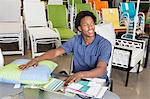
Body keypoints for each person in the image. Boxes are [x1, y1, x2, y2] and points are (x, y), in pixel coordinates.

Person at [19, 11, 112, 86]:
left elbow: (101, 69)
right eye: (86, 25)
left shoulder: (104, 44)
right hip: (77, 80)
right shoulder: (75, 40)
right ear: (79, 28)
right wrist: (36, 59)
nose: (90, 27)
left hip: (97, 82)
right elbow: (56, 52)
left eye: (92, 24)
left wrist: (81, 74)